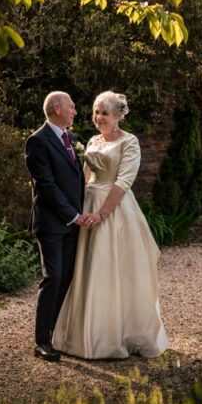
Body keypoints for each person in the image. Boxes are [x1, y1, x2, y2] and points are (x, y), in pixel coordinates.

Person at [51, 91, 169, 359]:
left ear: (118, 116)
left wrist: (101, 214)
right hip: (88, 206)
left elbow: (124, 182)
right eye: (95, 111)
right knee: (86, 267)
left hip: (114, 210)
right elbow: (84, 177)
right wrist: (77, 211)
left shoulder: (130, 142)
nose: (98, 117)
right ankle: (84, 335)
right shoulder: (92, 141)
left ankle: (114, 336)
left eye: (104, 112)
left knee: (110, 267)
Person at [24, 91, 100, 362]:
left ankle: (55, 333)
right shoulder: (37, 141)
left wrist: (83, 213)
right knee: (53, 277)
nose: (75, 112)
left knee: (67, 277)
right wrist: (72, 215)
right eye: (71, 106)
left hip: (74, 223)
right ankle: (42, 342)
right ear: (56, 108)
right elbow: (46, 186)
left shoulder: (71, 139)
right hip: (52, 224)